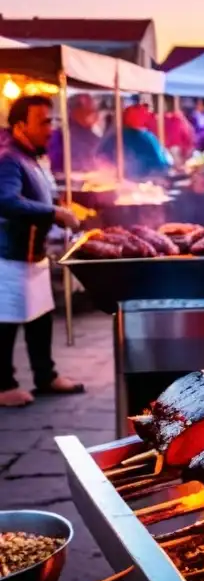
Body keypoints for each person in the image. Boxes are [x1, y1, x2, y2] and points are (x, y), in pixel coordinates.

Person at [0, 95, 84, 407]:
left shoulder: (30, 156)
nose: (51, 128)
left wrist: (57, 208)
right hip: (9, 255)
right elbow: (5, 200)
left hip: (32, 253)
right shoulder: (8, 158)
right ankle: (3, 384)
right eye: (44, 121)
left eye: (52, 121)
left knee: (40, 316)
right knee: (5, 321)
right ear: (21, 125)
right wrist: (54, 213)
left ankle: (45, 375)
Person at [97, 104, 172, 181]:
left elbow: (100, 156)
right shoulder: (119, 137)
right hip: (141, 181)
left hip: (141, 180)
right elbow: (163, 163)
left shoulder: (145, 136)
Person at [47, 94, 103, 176]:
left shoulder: (94, 137)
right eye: (89, 110)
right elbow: (57, 169)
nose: (94, 113)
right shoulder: (59, 136)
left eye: (94, 110)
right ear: (75, 111)